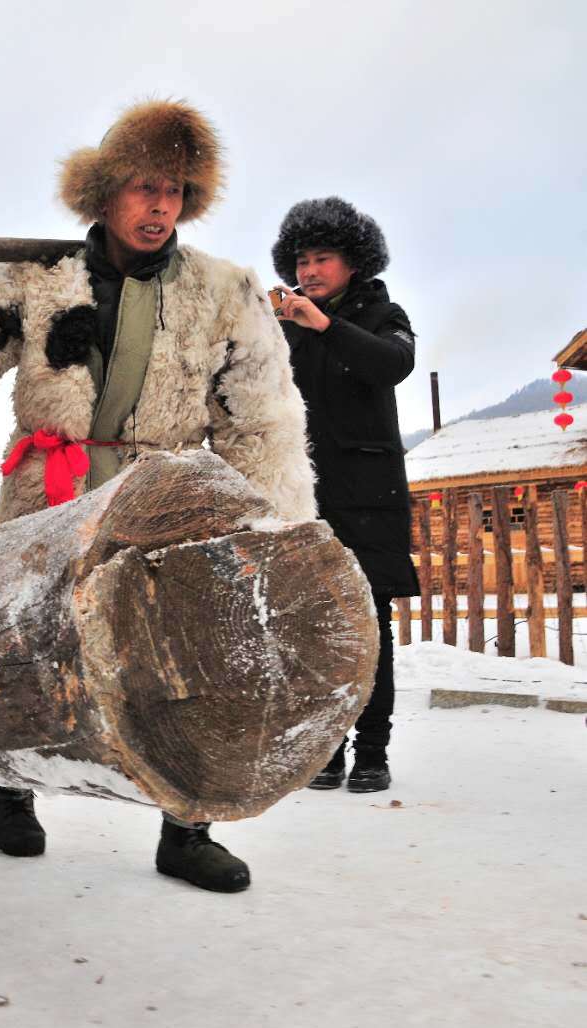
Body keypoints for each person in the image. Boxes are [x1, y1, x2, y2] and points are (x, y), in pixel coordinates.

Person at [0, 100, 315, 892]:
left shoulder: (226, 291)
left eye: (174, 191)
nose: (159, 207)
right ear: (105, 191)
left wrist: (277, 530)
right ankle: (9, 786)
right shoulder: (36, 275)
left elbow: (261, 420)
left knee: (180, 663)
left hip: (162, 502)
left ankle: (186, 826)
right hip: (45, 498)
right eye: (144, 187)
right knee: (20, 653)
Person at [271, 197, 416, 794]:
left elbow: (393, 364)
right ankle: (326, 750)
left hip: (370, 496)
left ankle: (372, 751)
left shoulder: (384, 314)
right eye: (302, 261)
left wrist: (326, 326)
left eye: (322, 259)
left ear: (353, 263)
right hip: (304, 496)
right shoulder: (286, 325)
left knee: (370, 626)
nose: (309, 271)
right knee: (313, 627)